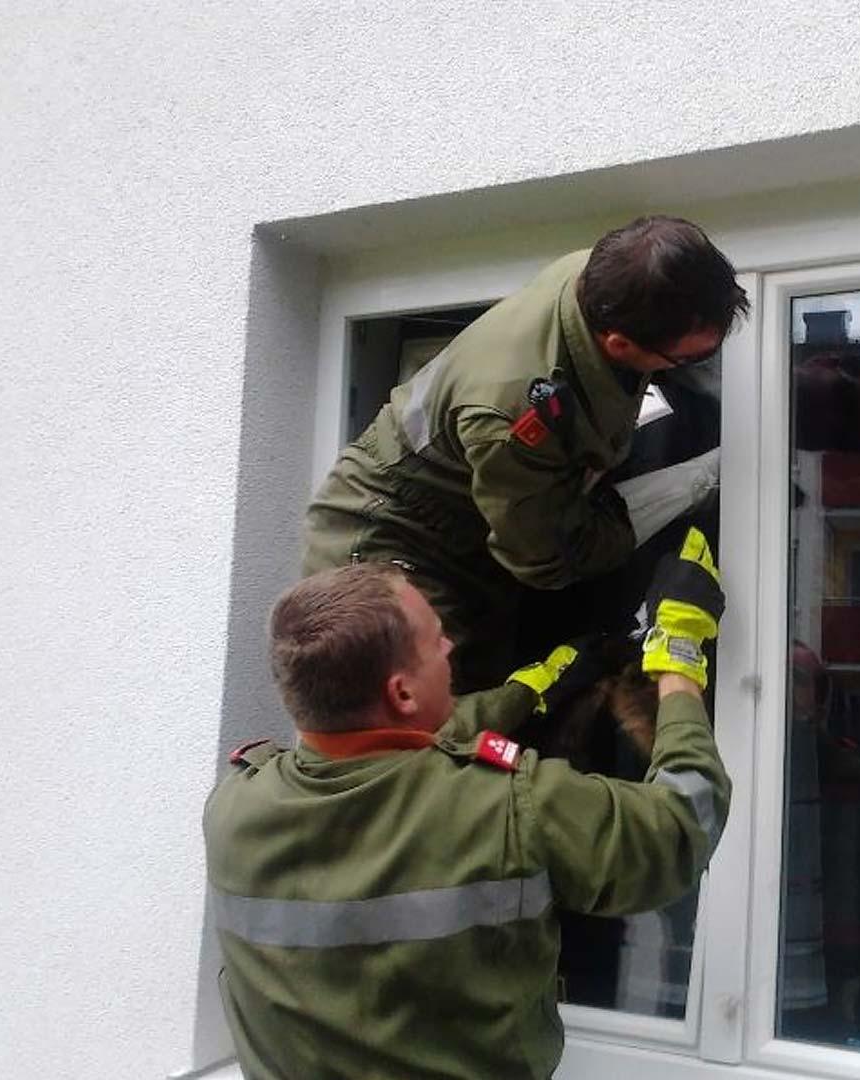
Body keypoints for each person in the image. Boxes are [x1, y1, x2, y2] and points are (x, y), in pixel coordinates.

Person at [204, 527, 730, 1080]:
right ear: (402, 692)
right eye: (435, 640)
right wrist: (678, 654)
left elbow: (386, 751)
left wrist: (526, 692)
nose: (450, 646)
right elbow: (684, 823)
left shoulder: (233, 811)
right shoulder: (510, 808)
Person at [302, 215, 748, 692]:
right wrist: (651, 509)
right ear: (618, 343)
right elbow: (546, 558)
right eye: (692, 358)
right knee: (429, 701)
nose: (698, 363)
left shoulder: (610, 280)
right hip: (392, 533)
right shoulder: (512, 416)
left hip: (475, 516)